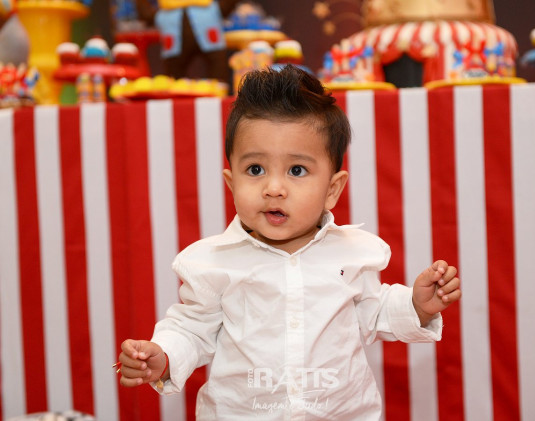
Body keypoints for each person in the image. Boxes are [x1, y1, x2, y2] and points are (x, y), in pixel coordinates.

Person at [117, 65, 461, 420]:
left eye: (297, 170)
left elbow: (375, 311)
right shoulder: (214, 262)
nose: (274, 188)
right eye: (255, 169)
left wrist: (417, 305)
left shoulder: (351, 254)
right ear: (231, 183)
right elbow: (192, 329)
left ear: (332, 189)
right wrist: (164, 355)